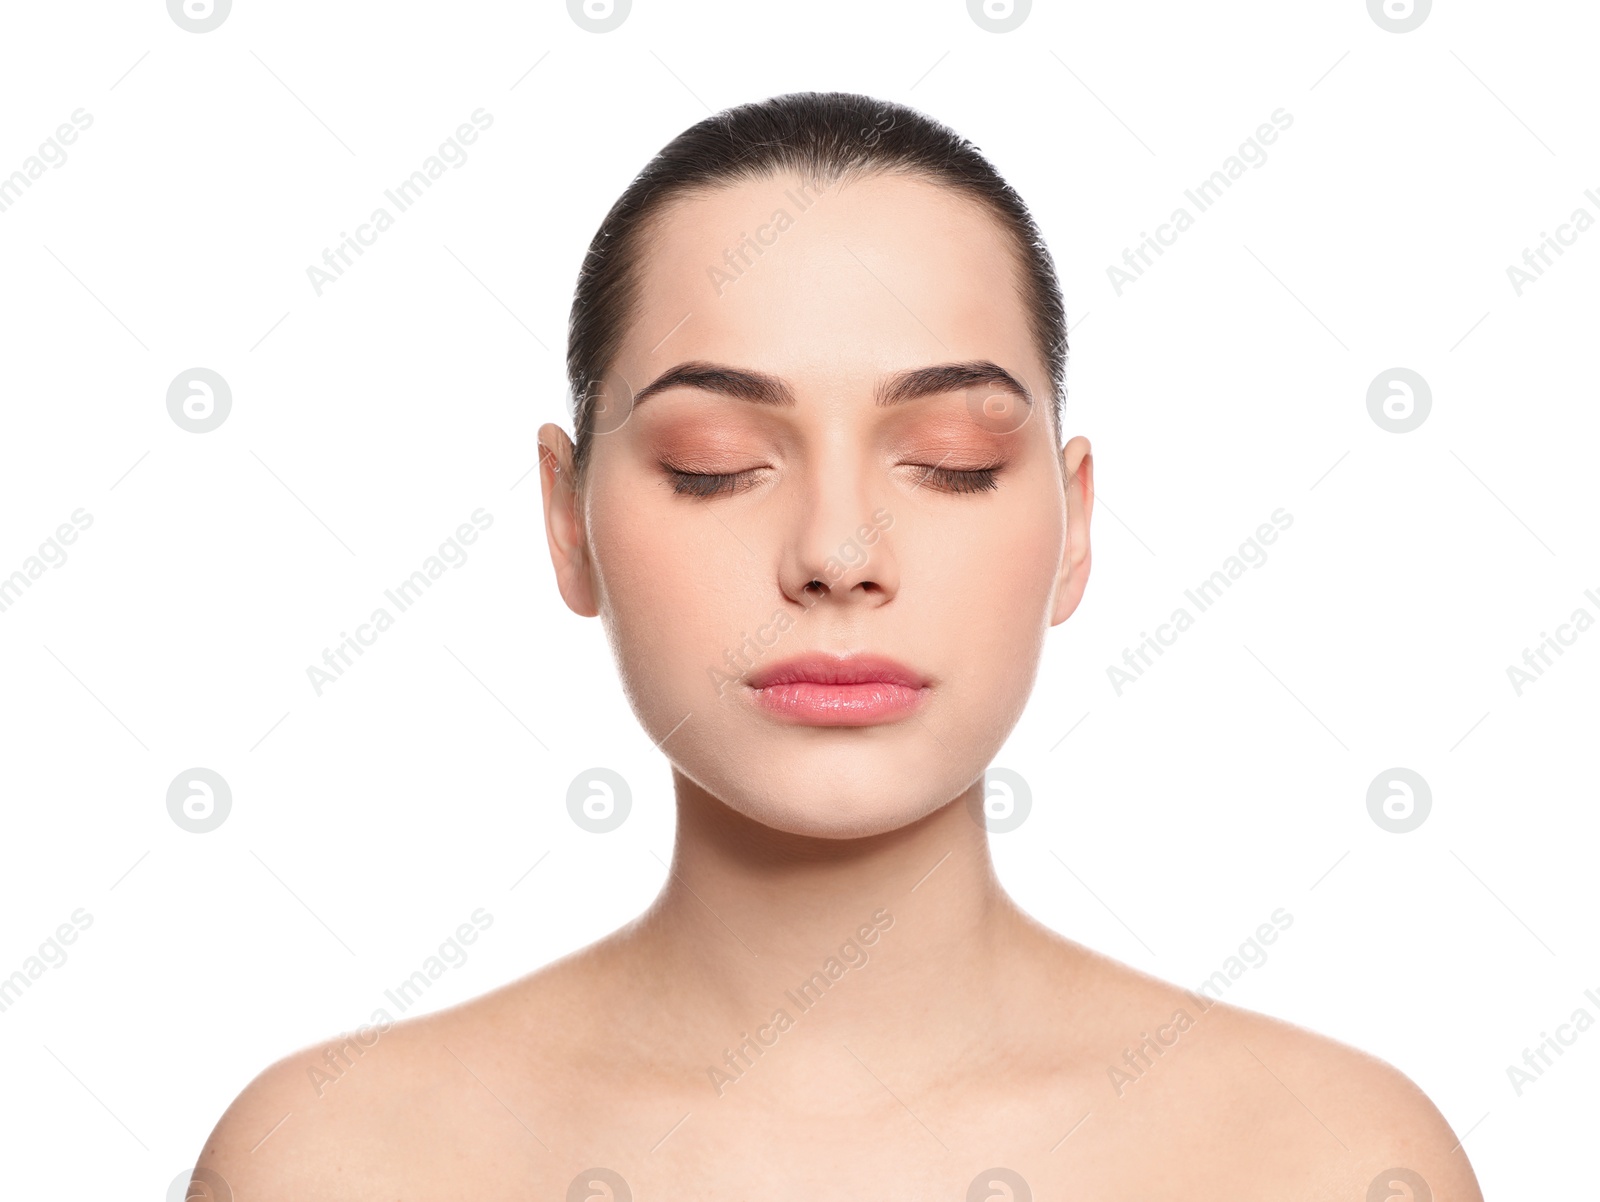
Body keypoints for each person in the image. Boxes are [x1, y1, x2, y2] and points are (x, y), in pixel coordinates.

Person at [194, 91, 1484, 1200]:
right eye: (716, 467)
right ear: (566, 519)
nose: (837, 551)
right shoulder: (337, 1160)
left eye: (953, 464)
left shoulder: (1327, 1160)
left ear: (1075, 524)